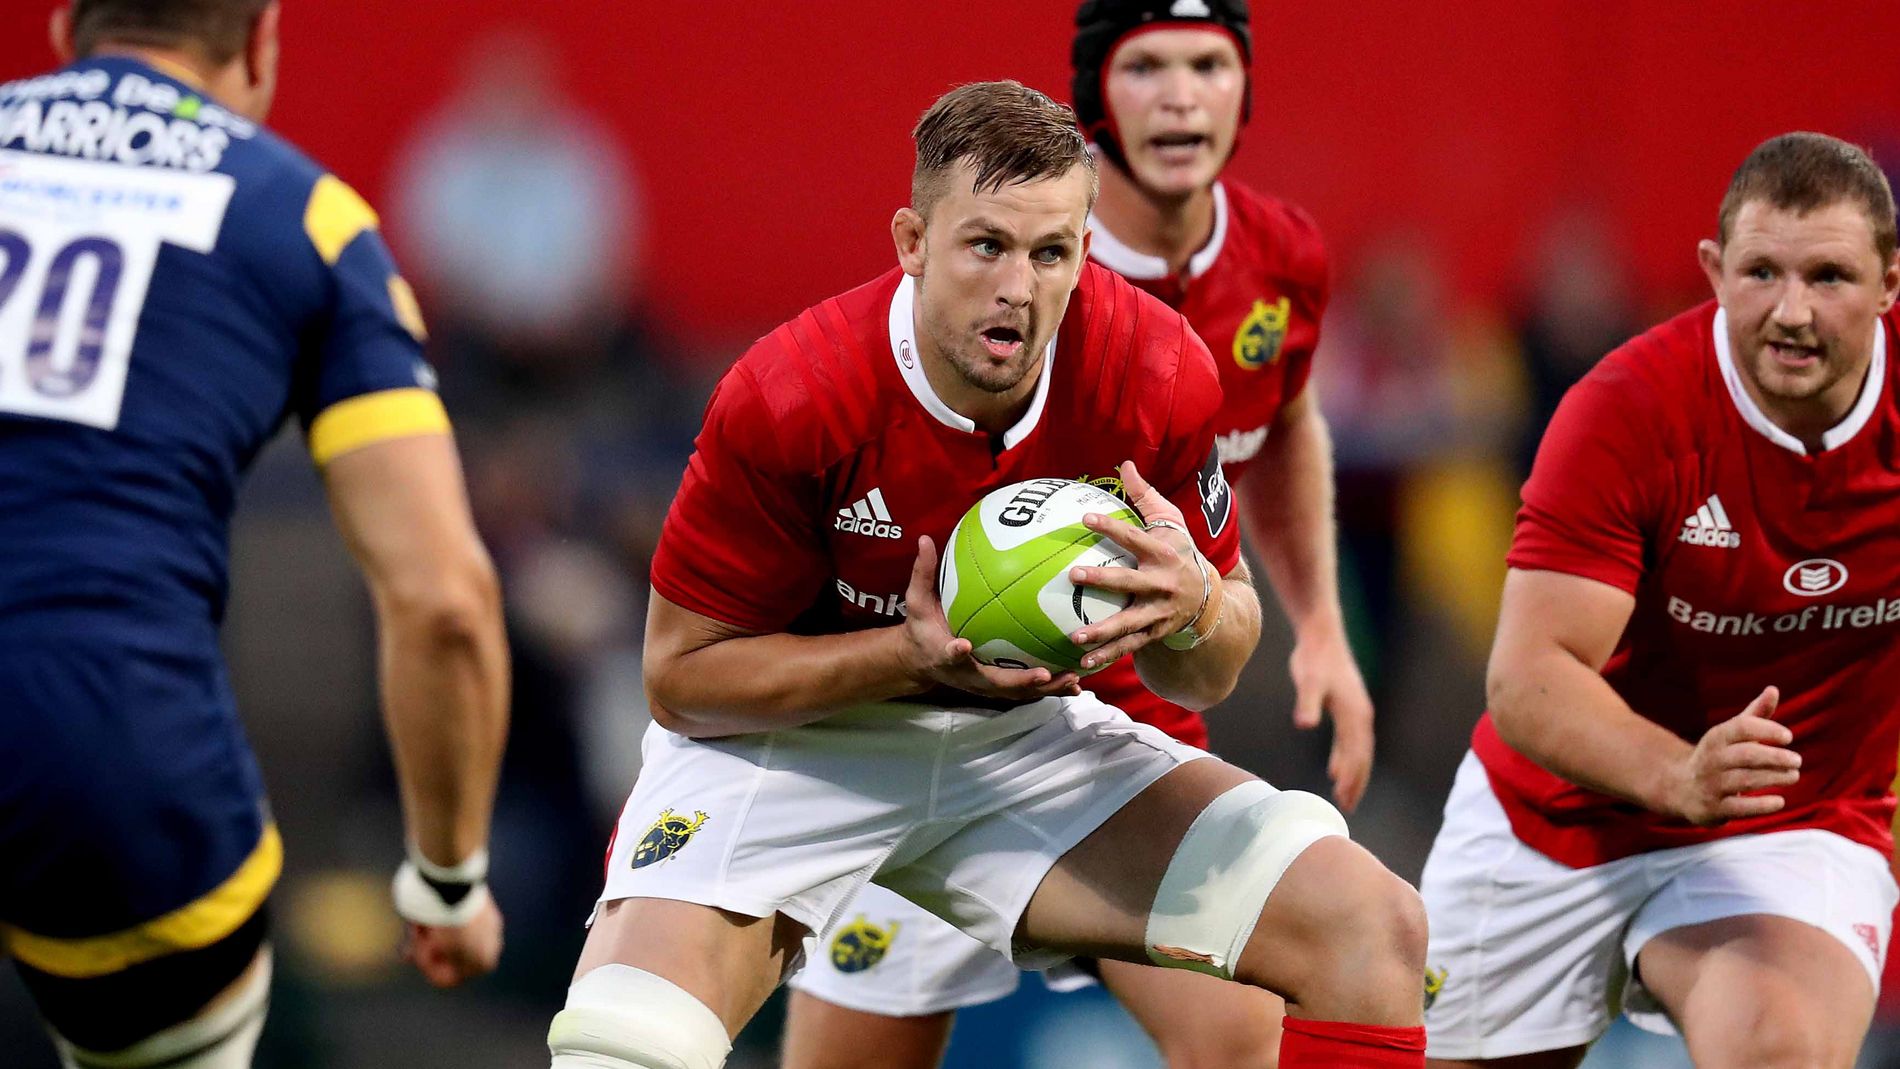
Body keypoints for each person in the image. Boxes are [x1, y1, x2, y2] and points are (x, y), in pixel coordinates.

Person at [546, 79, 1424, 1069]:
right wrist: (905, 656)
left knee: (1370, 931)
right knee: (624, 1046)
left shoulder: (1155, 373)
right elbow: (680, 678)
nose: (1019, 285)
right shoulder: (792, 396)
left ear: (1084, 253)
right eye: (986, 245)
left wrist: (1196, 606)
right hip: (800, 739)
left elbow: (1214, 663)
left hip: (1031, 735)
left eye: (1050, 252)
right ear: (912, 242)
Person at [781, 3, 1373, 1066]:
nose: (1180, 96)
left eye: (1209, 64)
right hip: (941, 710)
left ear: (1245, 89)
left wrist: (1318, 619)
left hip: (1125, 728)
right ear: (1096, 94)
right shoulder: (1010, 267)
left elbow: (1278, 424)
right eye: (1146, 67)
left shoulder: (1282, 258)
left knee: (1247, 1040)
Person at [0, 3, 511, 1066]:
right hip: (104, 741)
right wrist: (448, 879)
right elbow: (443, 602)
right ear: (259, 44)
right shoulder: (305, 218)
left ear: (64, 26)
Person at [1421, 131, 1900, 1068]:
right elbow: (1528, 676)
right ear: (1714, 271)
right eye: (1761, 272)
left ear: (1889, 283)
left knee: (1779, 1045)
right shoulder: (1629, 409)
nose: (1792, 312)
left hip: (1794, 822)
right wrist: (1679, 775)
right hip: (1555, 817)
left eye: (1830, 277)